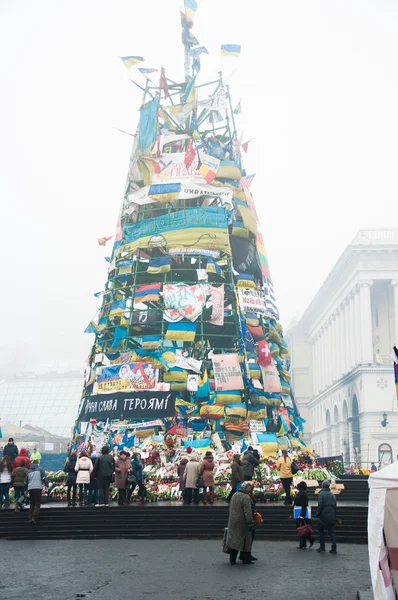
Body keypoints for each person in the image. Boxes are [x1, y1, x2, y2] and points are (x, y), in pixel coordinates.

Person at [226, 481, 255, 564]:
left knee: (234, 541)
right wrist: (250, 522)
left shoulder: (234, 495)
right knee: (246, 541)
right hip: (242, 522)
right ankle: (246, 559)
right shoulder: (246, 497)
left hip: (233, 521)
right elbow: (247, 511)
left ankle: (232, 559)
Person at [316, 480, 337, 554]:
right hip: (331, 515)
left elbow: (320, 504)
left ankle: (322, 547)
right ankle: (334, 548)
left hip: (323, 515)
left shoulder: (321, 494)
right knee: (331, 532)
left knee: (321, 531)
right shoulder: (332, 495)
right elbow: (335, 505)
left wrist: (317, 513)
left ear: (322, 486)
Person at [24, 459, 48, 524]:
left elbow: (25, 482)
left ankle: (30, 517)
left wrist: (25, 490)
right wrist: (46, 485)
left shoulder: (28, 471)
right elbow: (44, 478)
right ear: (38, 463)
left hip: (30, 488)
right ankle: (34, 517)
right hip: (38, 488)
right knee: (37, 503)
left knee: (32, 503)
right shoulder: (40, 469)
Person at [294, 481, 315, 549]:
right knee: (301, 528)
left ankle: (307, 541)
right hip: (299, 512)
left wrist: (302, 515)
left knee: (301, 528)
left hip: (301, 513)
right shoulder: (301, 494)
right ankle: (304, 543)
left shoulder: (302, 495)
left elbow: (303, 505)